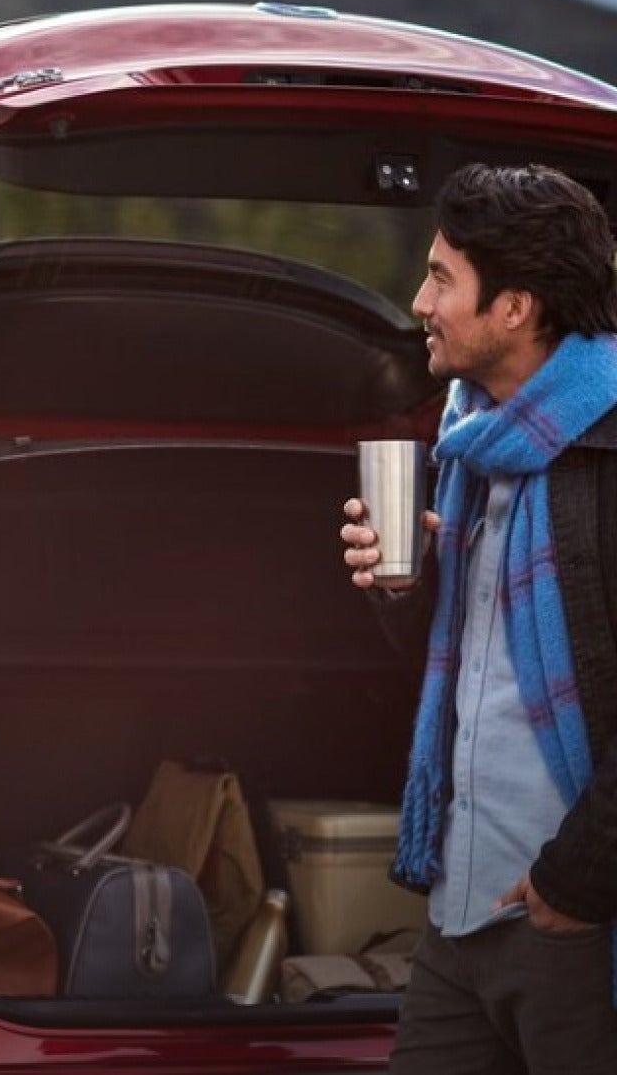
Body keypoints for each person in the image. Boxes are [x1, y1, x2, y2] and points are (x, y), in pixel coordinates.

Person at [341, 163, 617, 1073]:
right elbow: (465, 670)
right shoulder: (468, 438)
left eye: (441, 278)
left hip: (571, 926)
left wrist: (568, 888)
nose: (418, 300)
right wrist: (399, 588)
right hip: (458, 912)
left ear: (515, 308)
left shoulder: (605, 456)